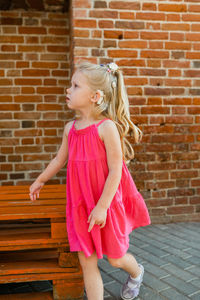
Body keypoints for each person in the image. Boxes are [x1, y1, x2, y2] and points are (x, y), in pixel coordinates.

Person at [29, 61, 151, 300]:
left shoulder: (106, 128)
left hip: (105, 204)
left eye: (75, 86)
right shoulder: (70, 129)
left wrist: (103, 207)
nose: (68, 90)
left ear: (95, 96)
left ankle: (136, 272)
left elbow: (116, 170)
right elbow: (58, 160)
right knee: (87, 262)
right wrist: (40, 180)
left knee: (115, 258)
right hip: (81, 206)